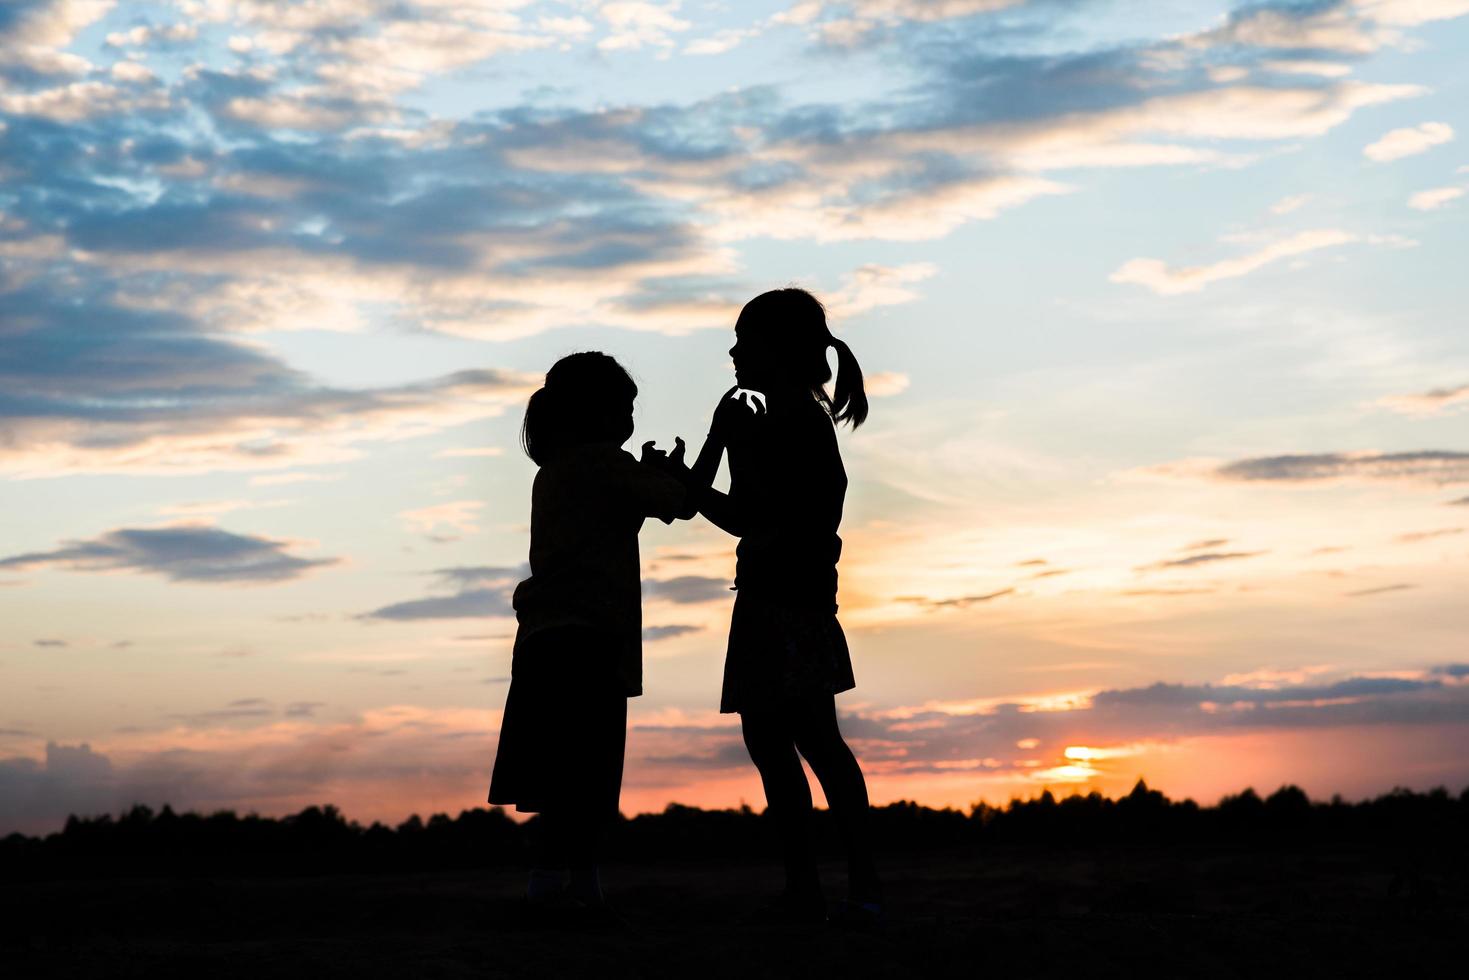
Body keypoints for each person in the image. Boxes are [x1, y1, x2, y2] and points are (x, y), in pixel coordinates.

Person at [654, 288, 883, 925]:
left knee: (811, 740)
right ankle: (814, 890)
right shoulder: (755, 415)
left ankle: (857, 887)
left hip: (793, 601)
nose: (731, 352)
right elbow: (736, 513)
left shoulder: (796, 421)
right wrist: (692, 470)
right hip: (767, 597)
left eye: (743, 341)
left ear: (777, 351)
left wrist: (697, 474)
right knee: (778, 740)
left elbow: (758, 517)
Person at [488, 351, 686, 923]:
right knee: (589, 774)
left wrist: (649, 476)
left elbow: (624, 512)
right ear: (596, 413)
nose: (629, 419)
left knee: (559, 776)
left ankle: (564, 884)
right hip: (591, 640)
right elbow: (681, 503)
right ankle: (565, 887)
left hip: (545, 640)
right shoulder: (606, 465)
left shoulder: (555, 472)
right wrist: (707, 449)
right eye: (623, 407)